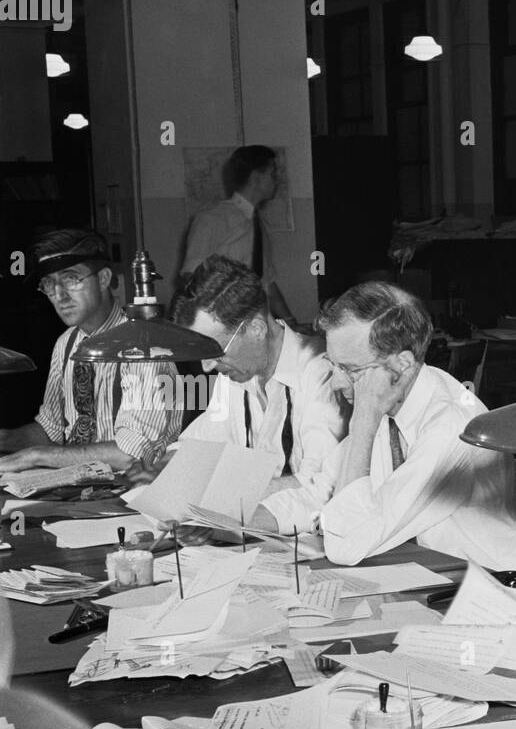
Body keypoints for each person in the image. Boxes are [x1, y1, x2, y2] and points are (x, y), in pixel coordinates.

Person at [315, 281, 516, 580]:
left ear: (403, 363)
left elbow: (345, 545)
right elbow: (322, 489)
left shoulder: (452, 425)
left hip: (496, 591)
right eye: (332, 366)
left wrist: (362, 426)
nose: (337, 384)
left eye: (351, 370)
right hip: (433, 575)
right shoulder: (394, 400)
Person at [169, 256, 346, 533]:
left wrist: (225, 496)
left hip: (310, 541)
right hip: (251, 535)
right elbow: (199, 446)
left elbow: (321, 485)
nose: (206, 367)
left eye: (215, 350)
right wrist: (167, 468)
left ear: (256, 328)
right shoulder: (236, 372)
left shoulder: (323, 372)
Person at [0, 230, 180, 474]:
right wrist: (6, 439)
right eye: (49, 285)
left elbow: (132, 455)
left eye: (71, 279)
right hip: (79, 488)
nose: (60, 296)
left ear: (104, 279)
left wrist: (34, 456)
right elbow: (50, 429)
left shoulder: (144, 346)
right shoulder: (66, 344)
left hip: (131, 493)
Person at [182, 146, 295, 324]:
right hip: (221, 321)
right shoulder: (214, 218)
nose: (277, 180)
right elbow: (192, 277)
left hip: (251, 322)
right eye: (272, 174)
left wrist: (291, 323)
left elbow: (267, 283)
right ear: (256, 178)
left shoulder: (258, 224)